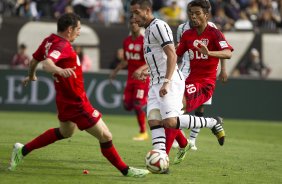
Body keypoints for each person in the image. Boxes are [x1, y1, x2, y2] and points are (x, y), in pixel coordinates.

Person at [8, 13, 149, 178]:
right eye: (78, 29)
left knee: (65, 132)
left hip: (64, 98)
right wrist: (60, 70)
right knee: (105, 136)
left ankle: (22, 150)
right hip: (76, 103)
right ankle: (126, 171)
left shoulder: (49, 40)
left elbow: (34, 61)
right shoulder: (62, 46)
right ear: (69, 30)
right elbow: (47, 64)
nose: (79, 32)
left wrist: (32, 75)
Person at [130, 0, 226, 168]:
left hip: (180, 80)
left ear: (146, 10)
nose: (133, 18)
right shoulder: (179, 33)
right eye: (191, 13)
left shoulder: (160, 26)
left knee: (171, 121)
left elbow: (172, 55)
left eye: (136, 13)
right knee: (154, 120)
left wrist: (166, 82)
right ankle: (163, 160)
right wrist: (145, 70)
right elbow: (170, 54)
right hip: (158, 80)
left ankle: (212, 123)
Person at [174, 0, 233, 163]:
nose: (193, 16)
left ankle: (185, 142)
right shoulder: (186, 33)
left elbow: (228, 53)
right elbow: (176, 55)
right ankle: (210, 125)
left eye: (197, 13)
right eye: (191, 13)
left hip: (206, 81)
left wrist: (211, 55)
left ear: (206, 15)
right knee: (172, 113)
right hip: (188, 77)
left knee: (179, 108)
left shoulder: (214, 32)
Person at [109, 16, 149, 141]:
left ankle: (143, 132)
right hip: (130, 79)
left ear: (140, 25)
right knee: (127, 106)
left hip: (142, 79)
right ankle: (144, 102)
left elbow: (150, 61)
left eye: (136, 23)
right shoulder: (126, 41)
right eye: (131, 23)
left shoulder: (144, 41)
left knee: (137, 105)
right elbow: (125, 60)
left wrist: (140, 69)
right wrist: (115, 71)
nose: (133, 25)